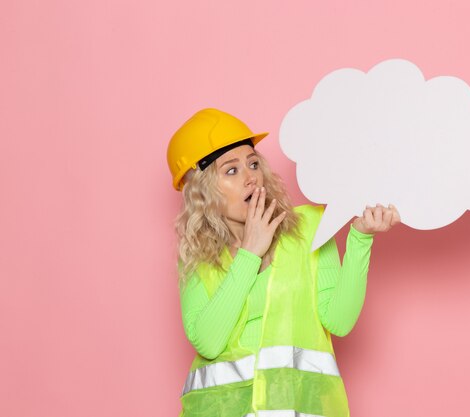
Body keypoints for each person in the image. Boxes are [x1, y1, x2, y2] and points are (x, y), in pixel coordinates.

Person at [167, 108, 400, 417]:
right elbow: (209, 343)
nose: (250, 177)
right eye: (231, 171)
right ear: (203, 192)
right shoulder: (198, 257)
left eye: (253, 164)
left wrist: (360, 237)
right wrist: (250, 252)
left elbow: (339, 321)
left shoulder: (310, 227)